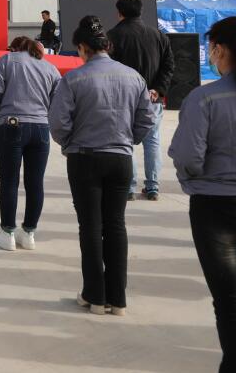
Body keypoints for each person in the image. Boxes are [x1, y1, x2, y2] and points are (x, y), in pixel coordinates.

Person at [49, 16, 155, 316]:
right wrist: (127, 140)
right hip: (120, 159)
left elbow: (58, 123)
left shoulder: (73, 79)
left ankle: (95, 295)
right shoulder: (133, 77)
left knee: (91, 227)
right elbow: (147, 119)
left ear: (83, 47)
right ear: (107, 45)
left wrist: (69, 143)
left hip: (85, 158)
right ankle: (117, 298)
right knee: (116, 225)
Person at [169, 17, 236, 370]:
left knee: (232, 306)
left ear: (219, 50)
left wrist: (194, 182)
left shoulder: (204, 98)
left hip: (217, 210)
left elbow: (189, 157)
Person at [0, 36, 62, 251]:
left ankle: (7, 232)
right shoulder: (50, 68)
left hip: (12, 124)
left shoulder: (7, 61)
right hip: (41, 128)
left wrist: (0, 115)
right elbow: (59, 100)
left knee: (9, 181)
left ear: (15, 48)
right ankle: (28, 233)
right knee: (35, 182)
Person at [107, 0, 175, 201]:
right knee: (152, 140)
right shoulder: (158, 35)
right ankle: (152, 186)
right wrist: (158, 89)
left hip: (123, 100)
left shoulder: (113, 36)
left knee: (125, 141)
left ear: (119, 13)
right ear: (140, 12)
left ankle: (129, 187)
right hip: (152, 98)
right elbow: (169, 65)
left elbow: (108, 69)